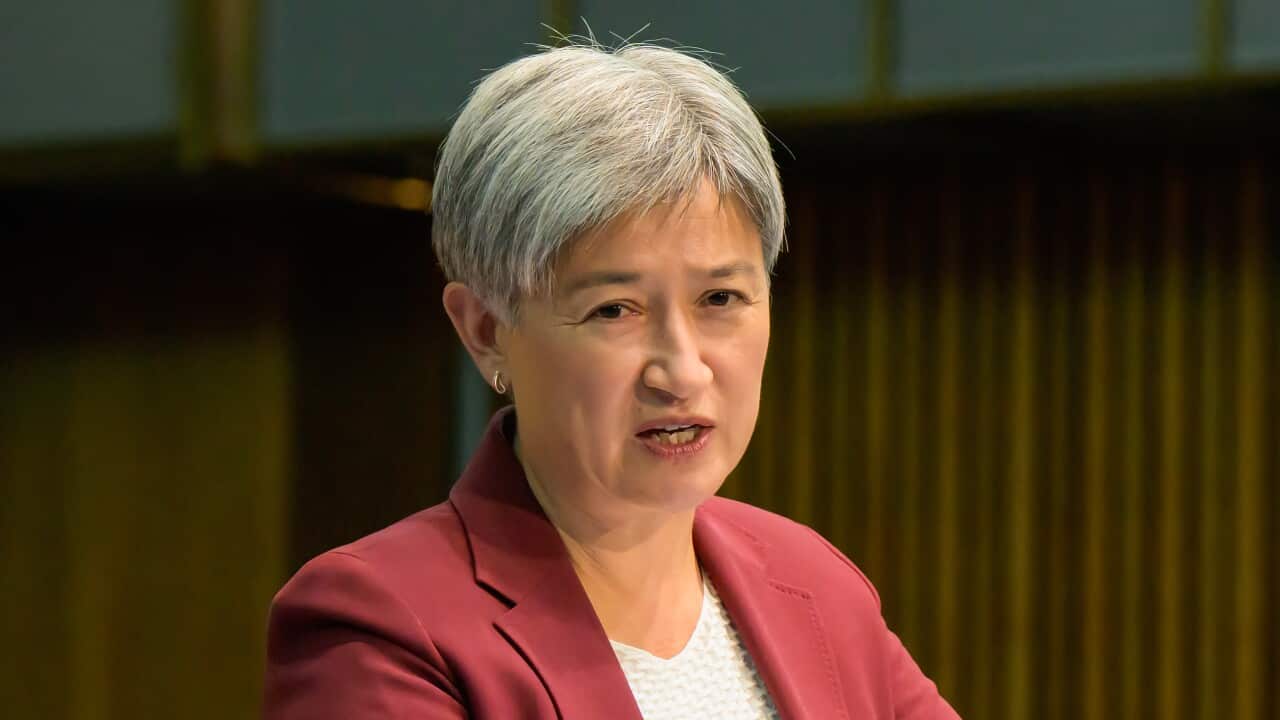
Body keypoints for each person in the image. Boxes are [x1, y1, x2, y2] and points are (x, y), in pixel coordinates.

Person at [262, 38, 960, 719]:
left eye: (720, 300)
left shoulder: (811, 582)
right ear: (484, 329)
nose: (682, 371)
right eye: (613, 310)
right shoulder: (383, 624)